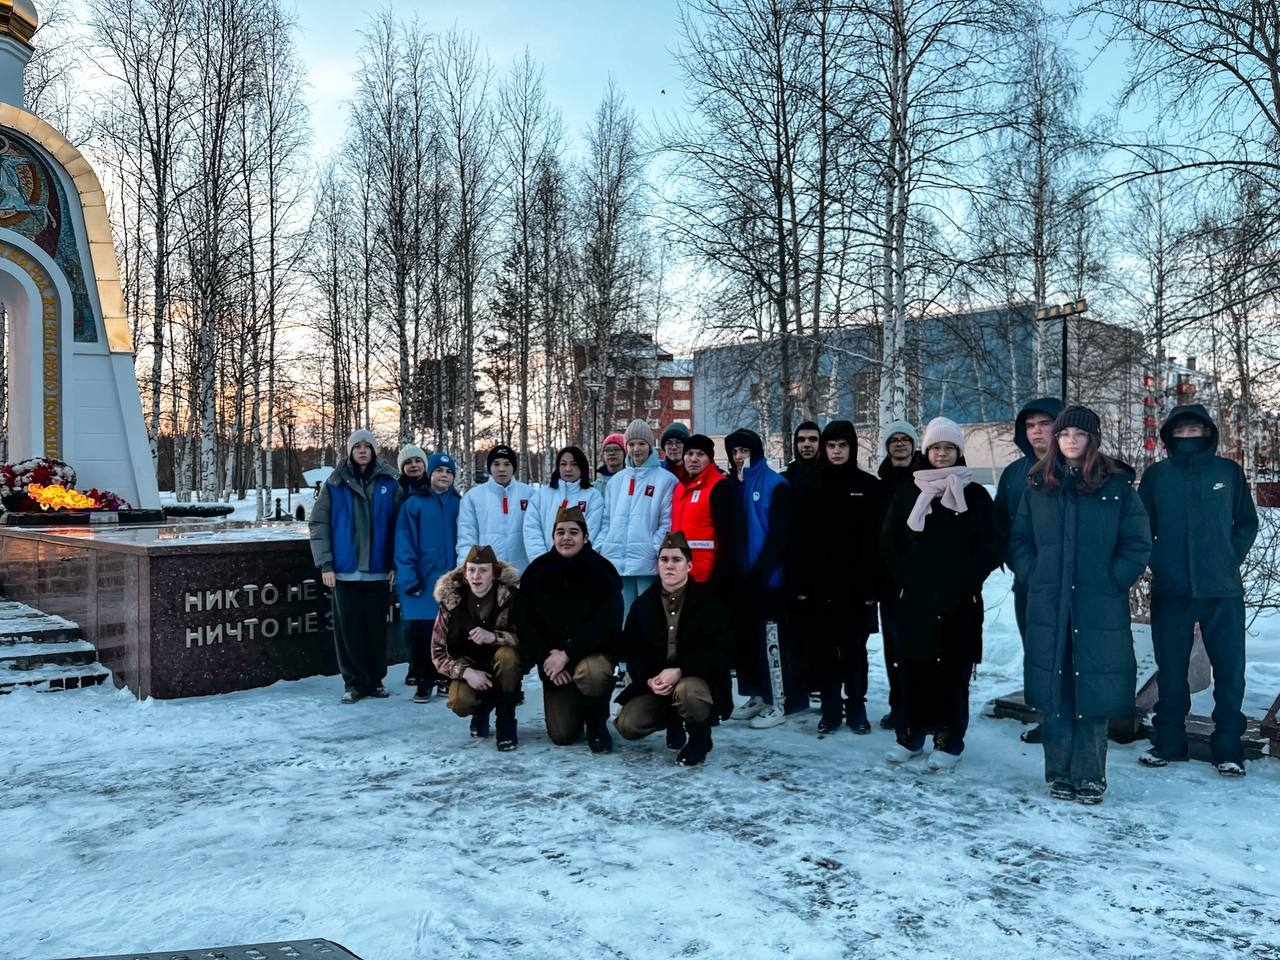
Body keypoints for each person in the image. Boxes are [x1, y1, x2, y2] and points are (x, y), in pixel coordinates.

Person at [1010, 406, 1151, 803]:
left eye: (1079, 434)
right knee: (1057, 688)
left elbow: (1137, 543)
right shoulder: (1039, 484)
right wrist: (1034, 573)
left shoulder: (1116, 487)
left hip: (1097, 605)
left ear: (1092, 439)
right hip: (1050, 604)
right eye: (1064, 433)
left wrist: (1113, 580)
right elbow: (1020, 539)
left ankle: (1090, 775)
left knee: (1093, 689)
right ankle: (1059, 773)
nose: (1071, 440)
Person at [1137, 404, 1258, 777]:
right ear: (1170, 435)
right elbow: (1141, 528)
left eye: (1195, 430)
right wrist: (1159, 562)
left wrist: (1228, 558)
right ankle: (1169, 741)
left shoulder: (1227, 473)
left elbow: (1246, 523)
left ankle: (1228, 746)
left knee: (1230, 670)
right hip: (1171, 590)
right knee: (1172, 669)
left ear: (1208, 433)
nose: (1188, 436)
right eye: (1181, 431)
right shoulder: (1157, 476)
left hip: (1222, 591)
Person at [880, 417, 999, 770]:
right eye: (936, 448)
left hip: (958, 600)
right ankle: (910, 734)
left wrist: (968, 578)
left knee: (952, 672)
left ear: (959, 452)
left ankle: (949, 739)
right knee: (913, 668)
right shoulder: (908, 492)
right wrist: (904, 578)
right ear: (926, 451)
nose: (942, 454)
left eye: (949, 448)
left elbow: (991, 545)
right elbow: (888, 541)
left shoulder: (974, 495)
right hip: (916, 599)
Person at [614, 532, 734, 766]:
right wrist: (649, 679)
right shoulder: (643, 604)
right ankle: (672, 720)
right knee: (629, 725)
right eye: (664, 559)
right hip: (657, 685)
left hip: (697, 680)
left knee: (688, 692)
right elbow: (633, 650)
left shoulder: (709, 602)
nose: (669, 565)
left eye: (676, 560)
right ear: (657, 565)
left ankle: (700, 738)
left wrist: (681, 670)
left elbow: (723, 651)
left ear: (689, 566)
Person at [516, 506, 624, 752]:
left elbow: (607, 623)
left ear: (585, 537)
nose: (566, 538)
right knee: (562, 734)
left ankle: (597, 722)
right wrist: (547, 658)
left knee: (592, 674)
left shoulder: (603, 571)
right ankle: (575, 707)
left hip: (591, 655)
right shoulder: (536, 572)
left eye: (574, 532)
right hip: (554, 662)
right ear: (553, 536)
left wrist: (568, 653)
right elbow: (524, 622)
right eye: (560, 532)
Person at [309, 428, 401, 704]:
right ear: (350, 450)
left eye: (367, 446)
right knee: (348, 631)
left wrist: (395, 563)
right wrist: (326, 564)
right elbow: (319, 523)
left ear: (374, 451)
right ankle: (353, 683)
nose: (362, 451)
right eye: (357, 446)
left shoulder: (389, 482)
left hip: (378, 571)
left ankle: (375, 681)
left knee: (375, 629)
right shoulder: (335, 483)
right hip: (344, 571)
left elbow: (400, 527)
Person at [992, 397, 1063, 746]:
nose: (1037, 431)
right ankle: (1048, 717)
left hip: (1072, 582)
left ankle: (1072, 720)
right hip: (1029, 582)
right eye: (1030, 425)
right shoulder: (1014, 474)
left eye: (1044, 424)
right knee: (1037, 652)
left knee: (1070, 653)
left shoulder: (1077, 468)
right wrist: (1020, 565)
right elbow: (999, 525)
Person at [811, 420, 885, 735]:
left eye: (842, 445)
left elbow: (878, 542)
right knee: (825, 651)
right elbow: (801, 539)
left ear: (852, 448)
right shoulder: (812, 485)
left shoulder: (869, 486)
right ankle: (830, 709)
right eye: (831, 446)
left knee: (855, 652)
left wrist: (872, 586)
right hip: (821, 586)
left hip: (857, 588)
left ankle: (856, 707)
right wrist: (803, 584)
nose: (837, 451)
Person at [724, 427, 793, 730]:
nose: (739, 457)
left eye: (744, 451)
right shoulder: (735, 485)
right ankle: (757, 695)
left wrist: (761, 572)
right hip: (742, 579)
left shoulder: (775, 484)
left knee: (771, 642)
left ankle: (778, 701)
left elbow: (780, 535)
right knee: (747, 642)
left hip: (768, 579)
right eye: (734, 451)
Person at [431, 545, 523, 750]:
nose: (476, 576)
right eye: (471, 570)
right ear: (465, 574)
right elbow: (437, 652)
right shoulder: (451, 601)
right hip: (469, 663)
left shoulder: (510, 597)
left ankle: (506, 720)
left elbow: (526, 639)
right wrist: (465, 672)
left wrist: (494, 637)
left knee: (508, 657)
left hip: (501, 662)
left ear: (494, 574)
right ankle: (481, 710)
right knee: (459, 702)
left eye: (483, 570)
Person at [395, 449, 461, 703]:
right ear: (429, 474)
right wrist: (409, 578)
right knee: (423, 633)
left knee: (449, 632)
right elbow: (404, 544)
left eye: (448, 472)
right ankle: (424, 681)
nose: (444, 475)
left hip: (450, 581)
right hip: (422, 580)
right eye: (439, 471)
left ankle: (444, 678)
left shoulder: (459, 504)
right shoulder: (414, 504)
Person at [596, 419, 679, 618]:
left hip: (646, 564)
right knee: (622, 616)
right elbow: (606, 520)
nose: (636, 449)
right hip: (616, 561)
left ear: (650, 446)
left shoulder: (666, 480)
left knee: (647, 616)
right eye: (631, 444)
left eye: (641, 443)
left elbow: (667, 522)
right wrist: (602, 546)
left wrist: (653, 548)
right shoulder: (616, 481)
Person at [875, 419, 926, 729]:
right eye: (893, 440)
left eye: (904, 439)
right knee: (893, 646)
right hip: (888, 580)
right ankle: (899, 706)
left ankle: (920, 707)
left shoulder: (926, 480)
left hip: (920, 579)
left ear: (913, 444)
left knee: (919, 645)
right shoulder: (880, 484)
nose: (899, 444)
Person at [669, 433, 737, 589]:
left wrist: (719, 577)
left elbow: (729, 539)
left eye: (700, 454)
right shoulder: (679, 487)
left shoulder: (721, 487)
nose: (693, 459)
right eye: (689, 453)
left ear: (710, 458)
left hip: (707, 576)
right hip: (680, 574)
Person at [456, 444, 535, 573]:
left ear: (514, 467)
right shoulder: (473, 497)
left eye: (507, 464)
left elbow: (536, 534)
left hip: (523, 571)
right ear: (489, 467)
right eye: (496, 464)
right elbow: (466, 537)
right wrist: (465, 571)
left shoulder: (529, 494)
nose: (501, 469)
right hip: (486, 573)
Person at [524, 445, 605, 561]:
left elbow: (591, 532)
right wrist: (542, 562)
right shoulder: (541, 495)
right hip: (545, 565)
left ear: (582, 466)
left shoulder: (593, 496)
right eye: (563, 464)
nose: (568, 469)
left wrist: (573, 564)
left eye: (574, 464)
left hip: (579, 566)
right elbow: (531, 530)